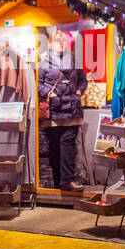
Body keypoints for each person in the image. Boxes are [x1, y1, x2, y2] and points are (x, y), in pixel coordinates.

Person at [38, 29, 87, 193]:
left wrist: (79, 92)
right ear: (51, 43)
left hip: (72, 111)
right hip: (53, 111)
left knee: (68, 145)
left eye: (64, 40)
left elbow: (83, 80)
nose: (61, 43)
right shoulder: (44, 61)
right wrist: (47, 93)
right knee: (54, 147)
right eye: (58, 40)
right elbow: (39, 85)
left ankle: (67, 181)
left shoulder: (74, 59)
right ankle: (58, 181)